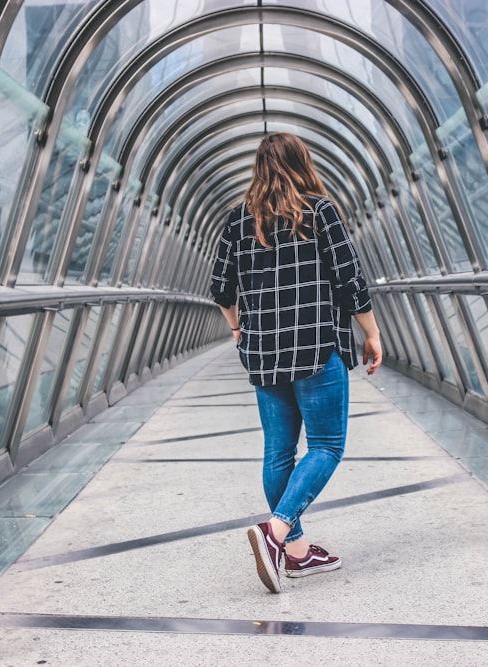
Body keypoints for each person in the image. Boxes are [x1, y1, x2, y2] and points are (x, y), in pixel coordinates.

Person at [209, 132, 382, 594]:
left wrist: (237, 328)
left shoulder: (237, 220)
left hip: (263, 352)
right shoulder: (319, 212)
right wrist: (372, 332)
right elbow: (350, 280)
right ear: (302, 163)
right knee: (326, 445)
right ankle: (277, 530)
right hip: (314, 348)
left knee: (278, 452)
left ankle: (298, 554)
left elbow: (221, 288)